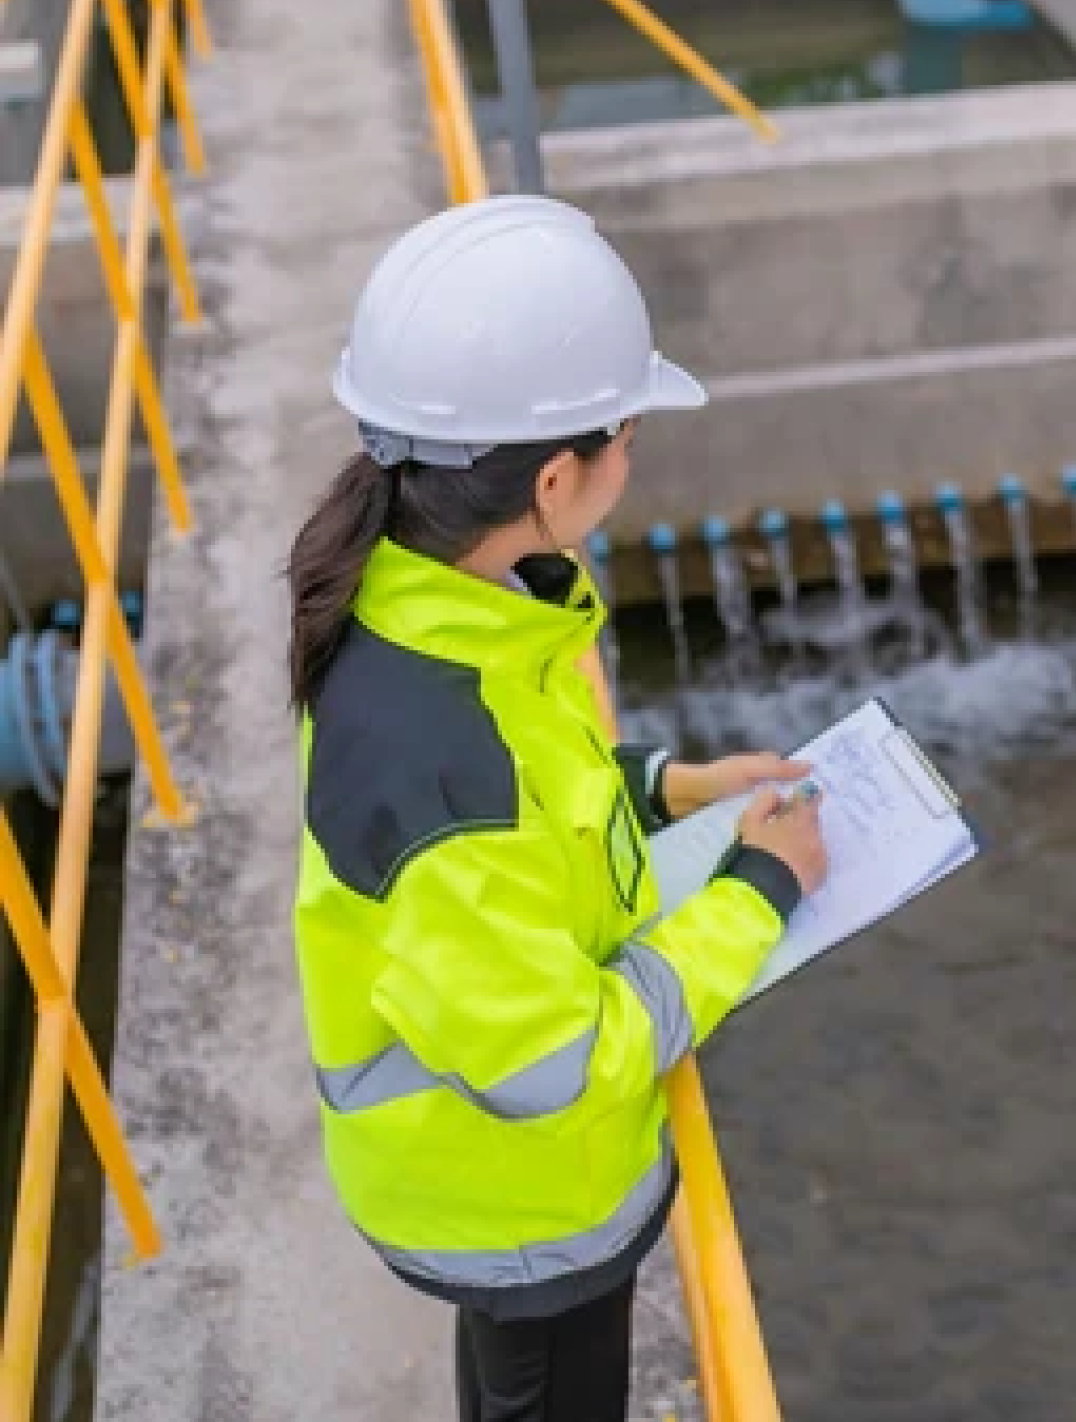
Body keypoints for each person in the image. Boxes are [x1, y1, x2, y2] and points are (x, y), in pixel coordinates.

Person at [286, 195, 827, 1421]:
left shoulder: (442, 608)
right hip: (515, 1197)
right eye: (625, 431)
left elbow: (542, 808)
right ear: (551, 474)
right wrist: (758, 893)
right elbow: (555, 1061)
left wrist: (670, 789)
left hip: (488, 1180)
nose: (632, 458)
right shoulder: (440, 739)